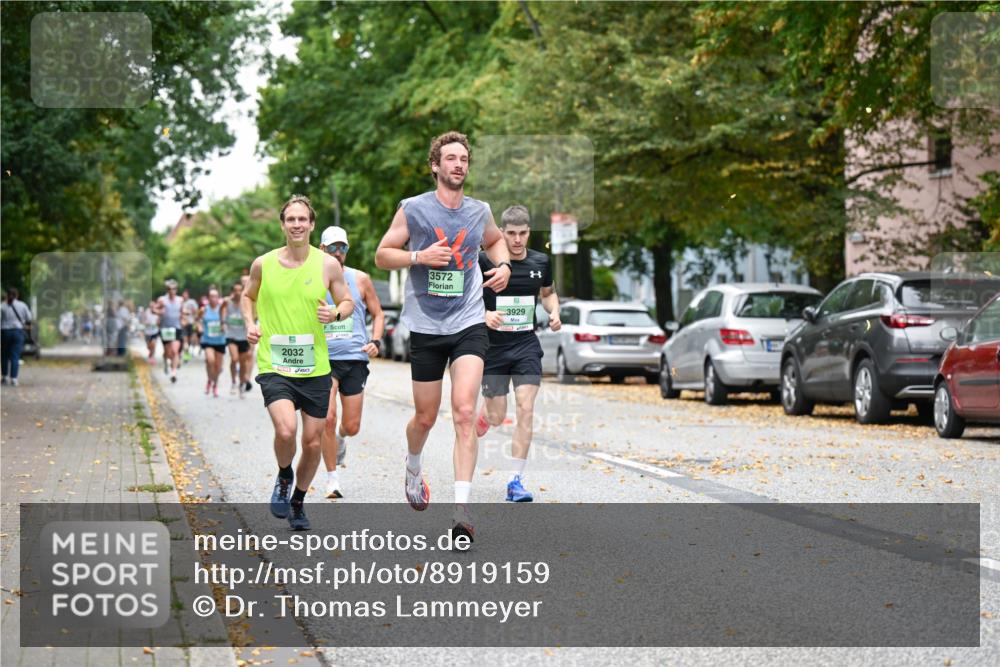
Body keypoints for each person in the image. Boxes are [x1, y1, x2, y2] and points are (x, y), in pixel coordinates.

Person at [374, 131, 511, 542]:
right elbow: (383, 254)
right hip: (427, 326)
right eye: (450, 158)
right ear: (435, 165)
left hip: (469, 321)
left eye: (463, 159)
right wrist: (418, 256)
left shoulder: (478, 210)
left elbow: (496, 240)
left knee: (465, 412)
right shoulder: (413, 209)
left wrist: (503, 267)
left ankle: (462, 511)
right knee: (426, 417)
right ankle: (413, 464)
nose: (458, 165)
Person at [242, 195, 354, 531]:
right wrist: (250, 323)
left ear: (311, 224)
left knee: (313, 442)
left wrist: (334, 313)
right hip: (275, 363)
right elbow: (248, 296)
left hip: (316, 367)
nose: (296, 225)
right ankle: (284, 474)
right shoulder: (263, 263)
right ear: (282, 224)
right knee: (286, 429)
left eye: (302, 219)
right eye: (290, 219)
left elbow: (347, 301)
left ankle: (298, 500)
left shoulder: (327, 265)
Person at [475, 205, 561, 502]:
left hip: (525, 345)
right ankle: (486, 416)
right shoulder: (484, 260)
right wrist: (485, 314)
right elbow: (466, 299)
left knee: (525, 408)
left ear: (528, 232)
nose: (517, 240)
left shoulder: (541, 261)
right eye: (510, 233)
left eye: (523, 233)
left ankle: (515, 481)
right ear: (501, 232)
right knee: (498, 417)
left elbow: (548, 294)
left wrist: (555, 312)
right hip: (492, 349)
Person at [318, 225, 385, 499]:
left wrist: (376, 341)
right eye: (332, 247)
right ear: (321, 250)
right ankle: (332, 480)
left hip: (355, 359)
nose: (337, 252)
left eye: (342, 247)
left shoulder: (360, 279)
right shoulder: (311, 280)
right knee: (328, 418)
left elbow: (378, 314)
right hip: (324, 359)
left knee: (352, 425)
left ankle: (342, 439)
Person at [198, 288, 227, 397]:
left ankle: (214, 384)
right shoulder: (204, 309)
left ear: (218, 298)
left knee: (218, 367)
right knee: (210, 360)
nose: (213, 298)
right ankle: (210, 380)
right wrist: (200, 326)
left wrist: (224, 325)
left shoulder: (222, 309)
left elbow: (225, 320)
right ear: (208, 298)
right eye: (211, 296)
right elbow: (198, 320)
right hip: (208, 340)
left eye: (215, 296)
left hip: (220, 341)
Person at [225, 281, 253, 396]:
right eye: (235, 290)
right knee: (234, 358)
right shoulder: (227, 303)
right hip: (231, 335)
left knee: (243, 363)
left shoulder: (245, 303)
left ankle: (241, 384)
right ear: (232, 292)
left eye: (239, 290)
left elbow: (251, 317)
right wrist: (223, 323)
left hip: (243, 337)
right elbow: (221, 312)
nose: (237, 292)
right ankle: (233, 382)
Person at [1, 288, 33, 386]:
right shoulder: (22, 305)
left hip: (4, 332)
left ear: (7, 295)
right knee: (15, 356)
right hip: (18, 332)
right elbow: (29, 318)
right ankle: (14, 379)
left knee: (4, 356)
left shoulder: (2, 306)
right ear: (17, 295)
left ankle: (5, 377)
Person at [154, 279, 184, 383]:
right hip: (165, 328)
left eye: (174, 289)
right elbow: (154, 309)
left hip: (176, 327)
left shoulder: (180, 300)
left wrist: (184, 317)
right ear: (167, 290)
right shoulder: (162, 300)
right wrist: (159, 311)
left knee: (175, 351)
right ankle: (166, 361)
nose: (172, 291)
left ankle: (174, 372)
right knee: (168, 351)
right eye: (170, 289)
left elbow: (182, 312)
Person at [181, 289, 200, 362]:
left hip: (192, 323)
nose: (184, 296)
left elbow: (196, 312)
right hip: (184, 324)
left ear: (188, 295)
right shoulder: (181, 302)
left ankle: (191, 350)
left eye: (185, 294)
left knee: (191, 339)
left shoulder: (192, 302)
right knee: (185, 340)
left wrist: (196, 321)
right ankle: (186, 355)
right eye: (183, 294)